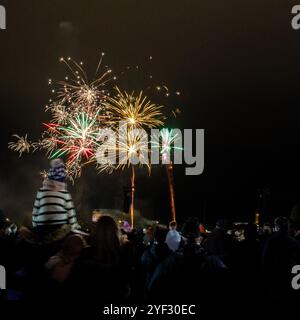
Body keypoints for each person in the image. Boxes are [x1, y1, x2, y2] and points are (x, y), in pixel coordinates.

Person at [147, 217, 228, 302]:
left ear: (182, 237)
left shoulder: (168, 263)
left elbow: (152, 289)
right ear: (200, 238)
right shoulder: (214, 262)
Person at [67, 215, 130, 301]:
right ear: (115, 232)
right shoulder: (122, 256)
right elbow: (124, 289)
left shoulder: (84, 254)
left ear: (96, 232)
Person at [32, 159, 79, 231]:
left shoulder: (41, 191)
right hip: (59, 226)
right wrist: (74, 226)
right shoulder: (65, 193)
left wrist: (35, 225)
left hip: (41, 226)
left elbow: (35, 211)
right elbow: (71, 213)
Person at [262, 216, 300, 302]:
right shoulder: (295, 243)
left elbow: (265, 260)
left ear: (276, 227)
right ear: (288, 227)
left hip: (275, 276)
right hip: (291, 276)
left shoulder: (271, 241)